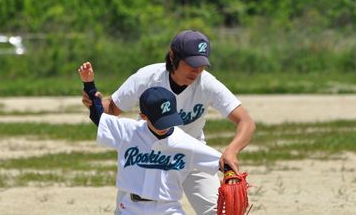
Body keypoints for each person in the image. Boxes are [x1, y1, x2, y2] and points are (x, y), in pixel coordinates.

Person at [81, 29, 255, 215]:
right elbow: (111, 110)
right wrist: (94, 103)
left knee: (219, 211)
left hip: (190, 153)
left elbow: (246, 121)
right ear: (173, 57)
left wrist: (231, 150)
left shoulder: (206, 83)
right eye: (191, 64)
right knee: (130, 206)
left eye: (202, 65)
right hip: (145, 153)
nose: (197, 71)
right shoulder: (147, 77)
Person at [78, 62, 222, 215]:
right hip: (130, 207)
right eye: (160, 122)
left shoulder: (184, 141)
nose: (165, 126)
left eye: (169, 119)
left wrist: (232, 176)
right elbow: (99, 117)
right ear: (143, 116)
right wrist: (89, 85)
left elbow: (220, 161)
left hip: (167, 208)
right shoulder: (130, 131)